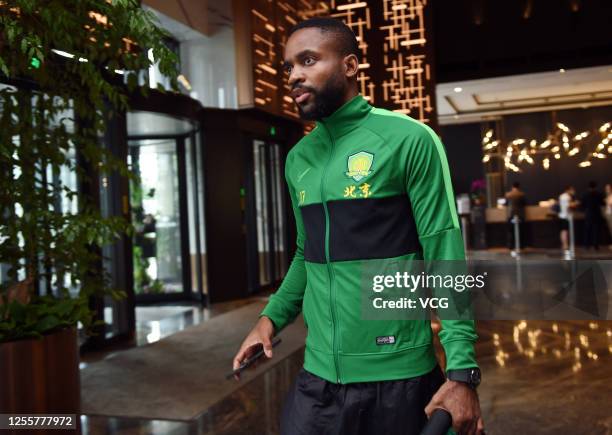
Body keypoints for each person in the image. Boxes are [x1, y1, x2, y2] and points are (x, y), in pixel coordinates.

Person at [232, 17, 483, 435]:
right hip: (318, 380)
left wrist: (461, 372)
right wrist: (269, 320)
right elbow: (305, 252)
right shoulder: (299, 159)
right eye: (288, 66)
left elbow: (444, 253)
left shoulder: (408, 139)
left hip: (399, 379)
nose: (294, 75)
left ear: (350, 66)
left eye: (308, 60)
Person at [580, 181, 605, 250]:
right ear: (595, 186)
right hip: (597, 214)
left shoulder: (585, 194)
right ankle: (595, 246)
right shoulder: (599, 194)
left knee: (587, 230)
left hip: (588, 214)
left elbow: (582, 205)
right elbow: (603, 203)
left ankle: (586, 245)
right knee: (596, 231)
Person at [504, 181, 527, 253]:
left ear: (512, 186)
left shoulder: (508, 194)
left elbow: (505, 204)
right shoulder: (521, 194)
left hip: (510, 215)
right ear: (518, 187)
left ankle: (511, 246)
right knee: (521, 231)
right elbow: (525, 204)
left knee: (511, 231)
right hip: (520, 215)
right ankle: (521, 246)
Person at [558, 185, 578, 255]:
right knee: (565, 231)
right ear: (568, 190)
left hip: (562, 215)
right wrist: (575, 203)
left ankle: (564, 245)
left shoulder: (561, 196)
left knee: (563, 231)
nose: (573, 191)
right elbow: (568, 206)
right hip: (566, 216)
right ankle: (565, 245)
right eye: (572, 190)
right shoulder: (567, 197)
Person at [606, 183, 612, 250]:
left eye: (608, 189)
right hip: (609, 214)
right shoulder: (609, 196)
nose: (607, 190)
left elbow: (610, 205)